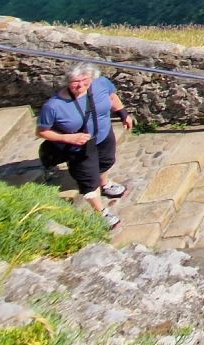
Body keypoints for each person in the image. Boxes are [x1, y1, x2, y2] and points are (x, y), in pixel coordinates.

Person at [37, 63, 134, 228]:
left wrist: (123, 114)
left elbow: (112, 97)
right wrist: (69, 138)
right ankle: (101, 212)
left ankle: (105, 184)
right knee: (89, 181)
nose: (80, 85)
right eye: (75, 81)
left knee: (107, 161)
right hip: (78, 148)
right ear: (67, 81)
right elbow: (42, 132)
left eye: (85, 80)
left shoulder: (101, 83)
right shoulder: (53, 106)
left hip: (103, 135)